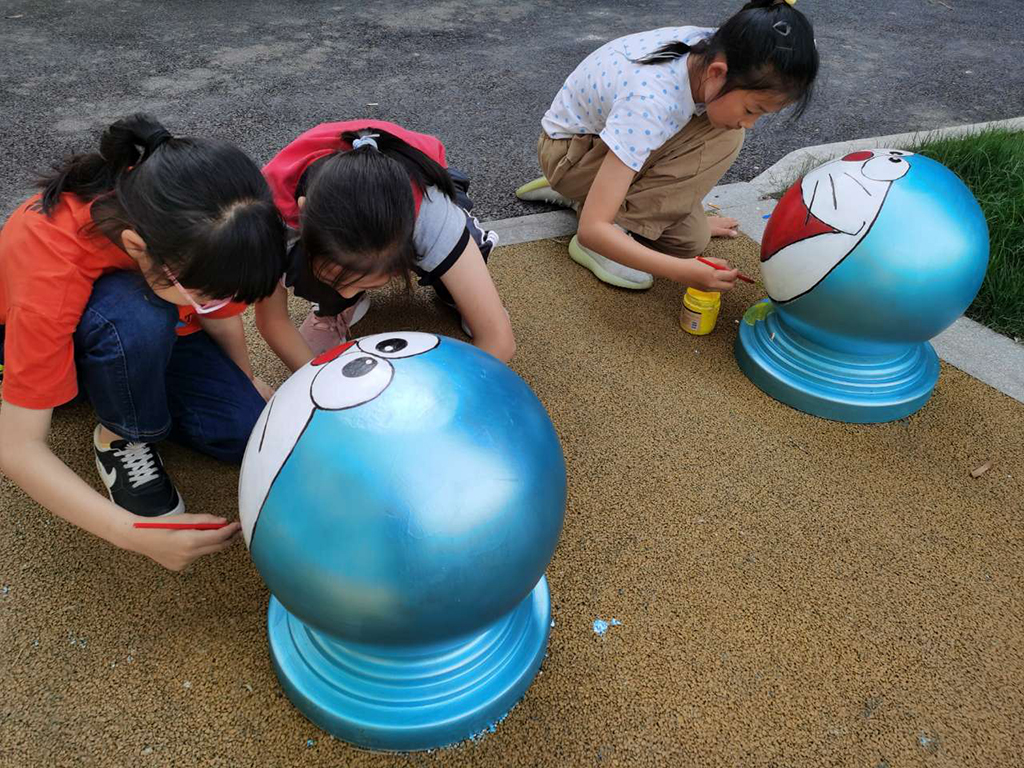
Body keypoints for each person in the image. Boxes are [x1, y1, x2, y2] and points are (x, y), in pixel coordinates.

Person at [0, 114, 288, 571]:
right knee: (137, 314)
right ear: (137, 247)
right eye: (208, 293)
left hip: (150, 328)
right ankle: (121, 437)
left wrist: (245, 379)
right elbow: (16, 447)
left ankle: (136, 386)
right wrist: (133, 534)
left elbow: (220, 314)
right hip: (77, 336)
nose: (221, 304)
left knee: (244, 431)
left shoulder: (206, 216)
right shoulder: (47, 263)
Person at [516, 0, 818, 292]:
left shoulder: (725, 47)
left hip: (595, 145)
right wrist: (681, 271)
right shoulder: (650, 102)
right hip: (570, 154)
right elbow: (593, 229)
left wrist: (684, 239)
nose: (750, 123)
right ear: (717, 73)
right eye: (752, 110)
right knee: (726, 135)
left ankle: (593, 195)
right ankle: (592, 211)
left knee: (690, 241)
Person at [256, 120, 515, 371]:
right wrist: (314, 380)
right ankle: (331, 309)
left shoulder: (430, 214)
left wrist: (442, 395)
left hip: (424, 181)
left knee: (463, 280)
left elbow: (499, 341)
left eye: (363, 284)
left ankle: (454, 293)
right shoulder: (268, 216)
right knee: (298, 266)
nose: (345, 294)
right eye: (334, 279)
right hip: (310, 204)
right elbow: (272, 321)